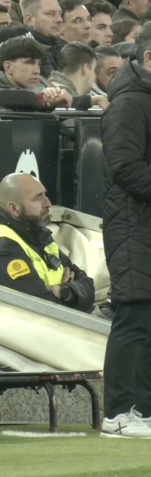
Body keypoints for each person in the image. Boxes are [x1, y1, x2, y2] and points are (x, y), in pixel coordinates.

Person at [100, 22, 151, 437]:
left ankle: (144, 412)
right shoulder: (131, 102)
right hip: (134, 224)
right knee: (133, 315)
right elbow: (124, 166)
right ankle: (118, 413)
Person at [0, 173, 95, 313]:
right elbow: (45, 311)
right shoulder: (3, 253)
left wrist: (63, 291)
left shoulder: (40, 237)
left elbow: (88, 286)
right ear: (14, 208)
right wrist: (73, 294)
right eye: (38, 198)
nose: (48, 203)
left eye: (45, 194)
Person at [49, 41, 109, 109]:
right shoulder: (60, 99)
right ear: (85, 69)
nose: (94, 78)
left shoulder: (47, 92)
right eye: (94, 70)